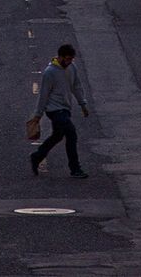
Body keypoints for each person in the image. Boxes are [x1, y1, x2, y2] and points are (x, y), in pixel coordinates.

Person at [30, 43, 89, 179]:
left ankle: (37, 156)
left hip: (65, 108)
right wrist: (38, 115)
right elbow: (43, 94)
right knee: (71, 134)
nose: (69, 62)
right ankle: (75, 169)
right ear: (60, 57)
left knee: (57, 136)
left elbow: (77, 86)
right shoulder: (49, 73)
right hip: (54, 110)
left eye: (71, 59)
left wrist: (83, 105)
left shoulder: (72, 68)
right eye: (67, 59)